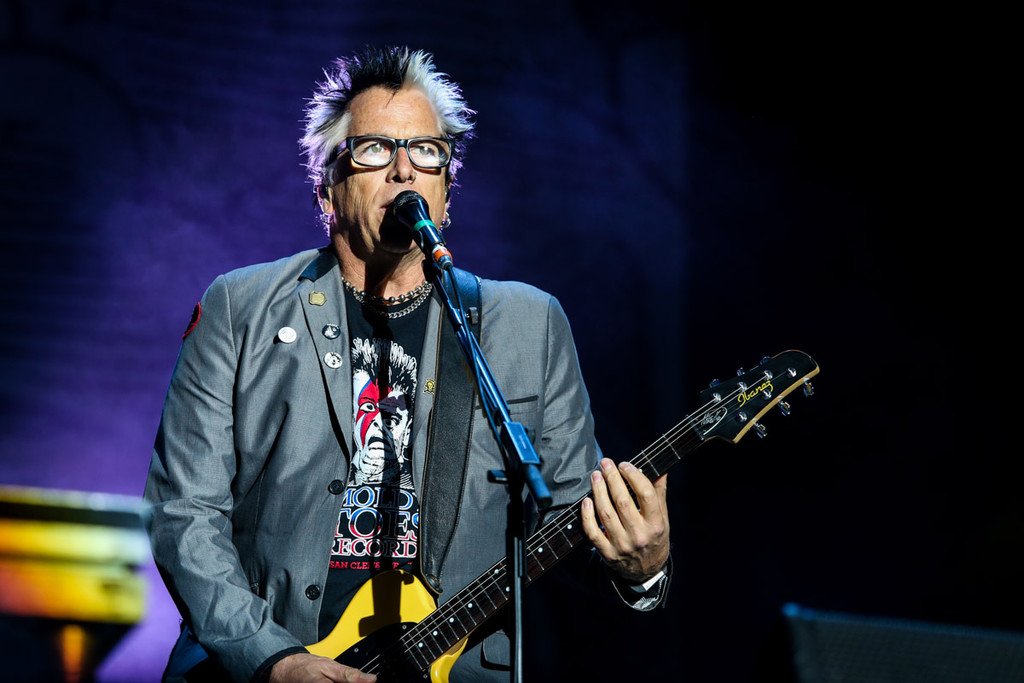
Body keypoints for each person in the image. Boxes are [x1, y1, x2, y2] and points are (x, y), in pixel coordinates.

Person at [144, 45, 671, 683]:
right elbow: (184, 511)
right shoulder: (241, 306)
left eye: (426, 151)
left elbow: (567, 522)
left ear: (447, 190)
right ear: (326, 188)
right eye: (374, 149)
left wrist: (642, 569)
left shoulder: (527, 325)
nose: (403, 170)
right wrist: (271, 659)